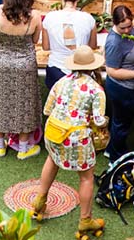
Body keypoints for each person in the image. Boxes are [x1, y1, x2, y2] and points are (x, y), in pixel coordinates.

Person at [31, 45, 109, 237]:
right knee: (86, 177)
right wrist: (104, 121)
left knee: (52, 160)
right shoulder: (96, 90)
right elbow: (99, 121)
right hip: (76, 138)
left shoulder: (62, 82)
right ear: (93, 66)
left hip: (54, 132)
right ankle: (85, 220)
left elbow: (47, 110)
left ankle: (39, 202)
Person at [0, 0, 42, 159]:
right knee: (25, 103)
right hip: (24, 64)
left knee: (0, 101)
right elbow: (34, 40)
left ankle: (0, 145)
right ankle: (24, 148)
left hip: (0, 62)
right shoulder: (34, 16)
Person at [104, 4, 134, 159]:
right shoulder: (114, 43)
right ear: (115, 24)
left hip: (131, 86)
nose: (127, 30)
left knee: (121, 121)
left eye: (129, 26)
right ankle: (116, 156)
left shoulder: (129, 29)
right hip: (121, 88)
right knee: (121, 123)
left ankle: (112, 148)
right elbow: (112, 71)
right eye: (123, 28)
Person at [41, 0, 97, 88]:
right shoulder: (88, 18)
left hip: (56, 69)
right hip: (81, 68)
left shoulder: (49, 17)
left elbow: (46, 46)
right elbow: (92, 46)